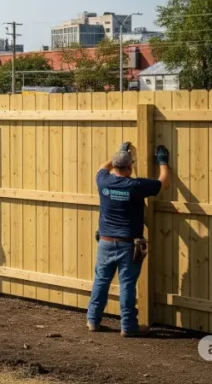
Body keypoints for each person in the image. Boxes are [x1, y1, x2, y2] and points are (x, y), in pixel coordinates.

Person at [87, 142, 170, 337]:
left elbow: (102, 167)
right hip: (128, 244)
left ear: (115, 166)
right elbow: (163, 182)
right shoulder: (135, 186)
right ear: (131, 167)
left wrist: (119, 152)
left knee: (101, 280)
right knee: (127, 284)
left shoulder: (103, 181)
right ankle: (128, 326)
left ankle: (93, 320)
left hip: (105, 242)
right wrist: (163, 162)